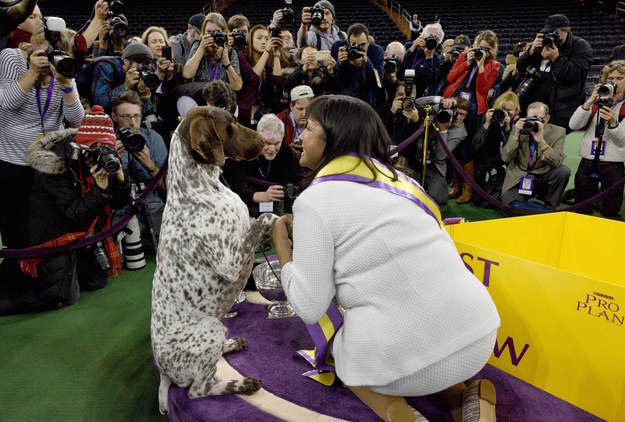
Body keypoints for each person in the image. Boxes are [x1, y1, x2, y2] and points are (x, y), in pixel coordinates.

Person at [271, 95, 499, 422]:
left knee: (337, 342)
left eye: (308, 128)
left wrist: (283, 248)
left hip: (405, 357)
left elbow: (309, 305)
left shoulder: (314, 201)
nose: (299, 137)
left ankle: (395, 410)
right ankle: (462, 397)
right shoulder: (402, 181)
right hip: (477, 337)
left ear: (333, 138)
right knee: (412, 322)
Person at [0, 105, 129, 315]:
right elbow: (76, 216)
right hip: (48, 237)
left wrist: (121, 180)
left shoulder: (98, 158)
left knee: (97, 280)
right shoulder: (54, 165)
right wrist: (101, 188)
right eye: (96, 149)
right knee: (63, 295)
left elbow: (118, 203)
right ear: (83, 147)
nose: (101, 154)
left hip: (78, 235)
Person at [0, 23, 84, 280]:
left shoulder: (65, 66)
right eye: (48, 52)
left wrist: (66, 84)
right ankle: (17, 274)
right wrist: (33, 72)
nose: (52, 58)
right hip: (12, 158)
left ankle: (49, 273)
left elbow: (77, 119)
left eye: (58, 53)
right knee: (14, 222)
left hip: (49, 161)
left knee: (47, 221)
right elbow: (5, 103)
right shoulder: (12, 58)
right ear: (34, 45)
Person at [444, 30, 501, 204]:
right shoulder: (464, 56)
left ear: (492, 50)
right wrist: (467, 62)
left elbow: (484, 88)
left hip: (474, 110)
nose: (481, 51)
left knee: (465, 146)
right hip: (454, 102)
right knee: (452, 145)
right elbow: (450, 77)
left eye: (485, 49)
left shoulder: (495, 65)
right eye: (479, 47)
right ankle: (456, 185)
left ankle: (469, 188)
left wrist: (482, 65)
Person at [515, 14, 592, 131]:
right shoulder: (543, 44)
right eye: (548, 32)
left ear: (566, 30)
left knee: (555, 143)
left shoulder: (580, 46)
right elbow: (520, 67)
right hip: (536, 104)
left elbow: (574, 75)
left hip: (562, 109)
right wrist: (531, 51)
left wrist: (556, 59)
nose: (551, 36)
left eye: (554, 33)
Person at [569, 60, 625, 217]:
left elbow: (623, 141)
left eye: (620, 78)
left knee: (611, 211)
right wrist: (589, 101)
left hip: (613, 163)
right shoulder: (596, 101)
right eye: (610, 78)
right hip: (587, 160)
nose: (614, 82)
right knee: (581, 208)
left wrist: (613, 123)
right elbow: (573, 124)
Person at [110, 91, 167, 246]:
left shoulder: (153, 138)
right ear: (114, 117)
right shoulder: (108, 143)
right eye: (126, 117)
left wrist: (151, 166)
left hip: (153, 206)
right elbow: (103, 193)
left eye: (137, 116)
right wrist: (115, 166)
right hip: (121, 211)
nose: (133, 123)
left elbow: (171, 188)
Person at [222, 113, 299, 216]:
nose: (272, 150)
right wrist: (263, 196)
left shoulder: (285, 151)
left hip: (275, 204)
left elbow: (290, 186)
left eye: (277, 144)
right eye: (267, 143)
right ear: (257, 137)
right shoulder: (246, 149)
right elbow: (238, 189)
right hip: (246, 205)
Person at [501, 101, 570, 209]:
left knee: (563, 171)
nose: (532, 123)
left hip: (542, 176)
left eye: (536, 119)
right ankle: (531, 204)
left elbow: (556, 161)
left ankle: (549, 206)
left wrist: (542, 142)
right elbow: (505, 158)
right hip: (519, 177)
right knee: (511, 207)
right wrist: (515, 137)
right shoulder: (518, 128)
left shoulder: (558, 132)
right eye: (529, 118)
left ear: (546, 119)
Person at [471, 91, 520, 207]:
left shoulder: (518, 124)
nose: (505, 113)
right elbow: (475, 145)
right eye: (502, 109)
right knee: (477, 200)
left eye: (510, 110)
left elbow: (512, 152)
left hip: (510, 164)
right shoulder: (491, 119)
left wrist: (508, 128)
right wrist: (486, 124)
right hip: (488, 162)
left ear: (516, 110)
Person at [236, 24, 285, 128]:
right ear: (251, 40)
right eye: (259, 38)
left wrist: (276, 54)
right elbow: (253, 77)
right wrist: (267, 51)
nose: (264, 41)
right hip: (243, 114)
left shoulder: (266, 60)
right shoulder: (241, 57)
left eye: (267, 39)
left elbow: (277, 80)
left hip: (260, 113)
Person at [90, 42, 154, 116]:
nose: (143, 67)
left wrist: (145, 95)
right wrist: (125, 86)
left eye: (147, 64)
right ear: (126, 61)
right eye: (139, 63)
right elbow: (99, 103)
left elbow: (143, 114)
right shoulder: (105, 66)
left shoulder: (145, 75)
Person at [330, 23, 384, 106]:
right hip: (343, 100)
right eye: (354, 45)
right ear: (348, 42)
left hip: (366, 101)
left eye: (362, 45)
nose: (359, 50)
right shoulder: (338, 47)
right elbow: (332, 84)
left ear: (368, 41)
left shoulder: (376, 51)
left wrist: (367, 63)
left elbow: (378, 84)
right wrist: (339, 64)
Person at [401, 23, 445, 97]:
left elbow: (428, 79)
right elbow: (401, 66)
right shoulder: (409, 46)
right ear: (422, 35)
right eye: (430, 36)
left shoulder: (436, 58)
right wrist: (413, 47)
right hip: (403, 86)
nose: (431, 40)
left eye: (436, 39)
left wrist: (429, 58)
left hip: (419, 93)